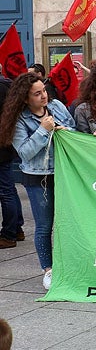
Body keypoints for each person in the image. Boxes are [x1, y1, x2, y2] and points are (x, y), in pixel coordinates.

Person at [0, 73, 76, 289]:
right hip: (38, 177)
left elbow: (75, 130)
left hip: (65, 173)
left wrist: (65, 132)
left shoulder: (57, 106)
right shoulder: (19, 119)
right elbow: (25, 152)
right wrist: (43, 130)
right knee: (44, 225)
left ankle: (68, 264)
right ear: (25, 98)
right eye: (37, 93)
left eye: (43, 90)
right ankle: (48, 269)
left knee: (67, 222)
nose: (43, 96)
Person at [0, 74, 22, 250]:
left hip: (2, 144)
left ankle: (9, 234)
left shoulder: (2, 86)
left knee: (6, 191)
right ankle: (17, 228)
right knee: (9, 189)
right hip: (6, 142)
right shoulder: (8, 85)